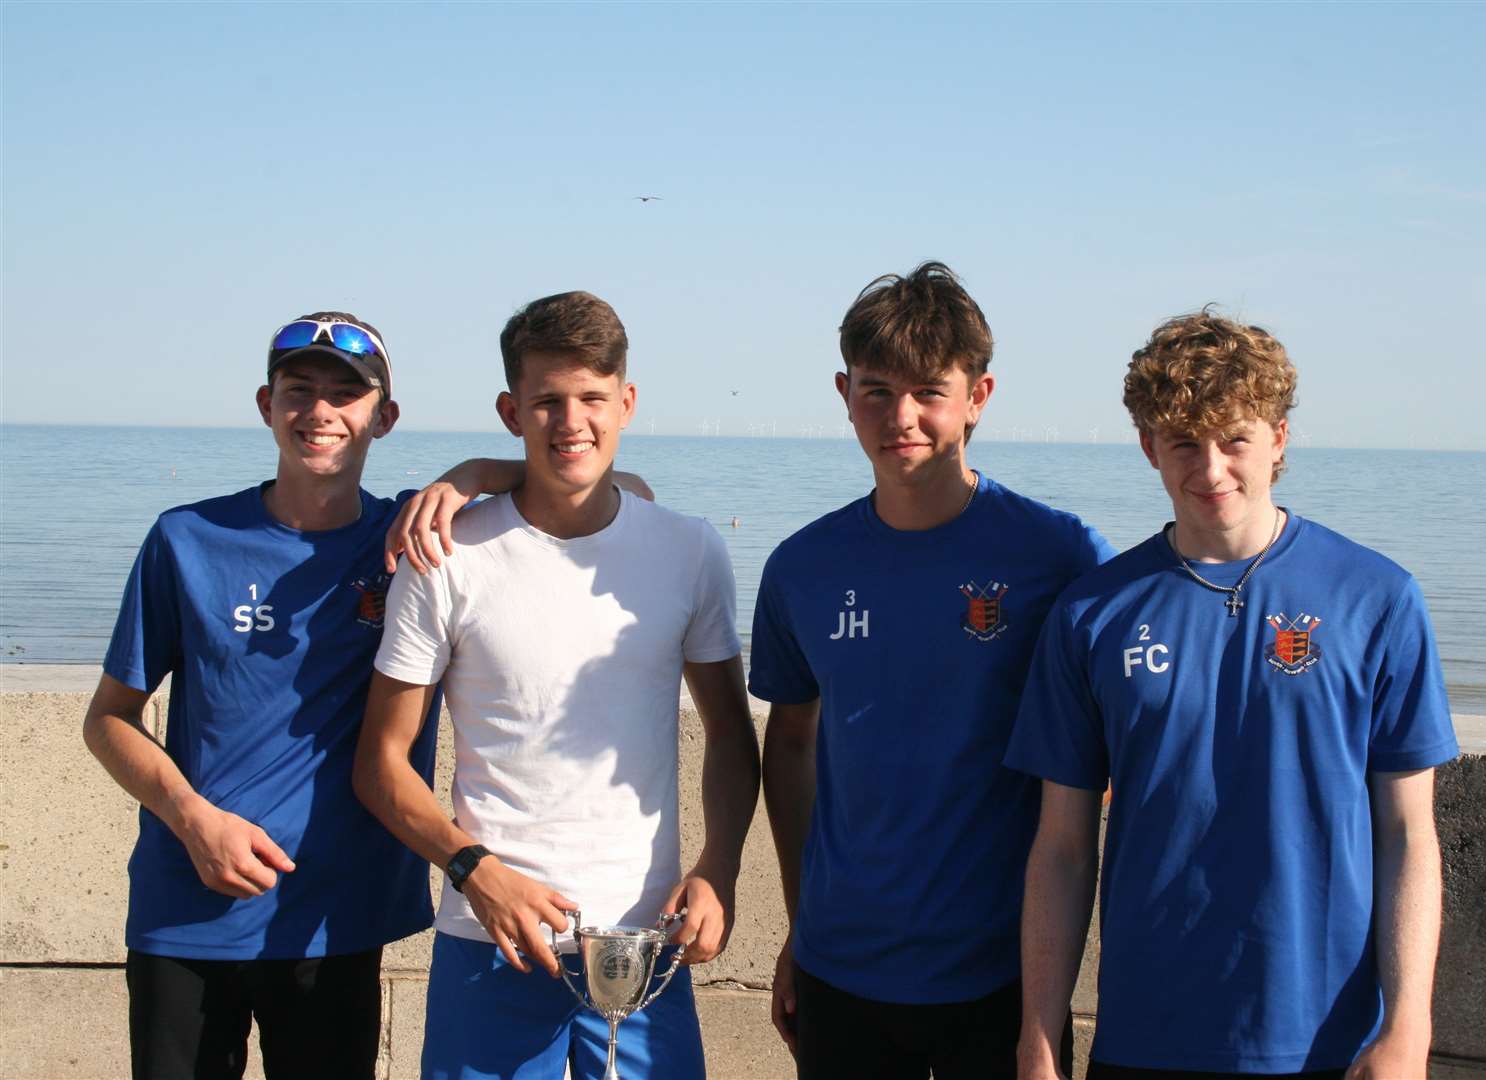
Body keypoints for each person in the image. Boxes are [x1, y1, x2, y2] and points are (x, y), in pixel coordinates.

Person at [1008, 310, 1458, 1080]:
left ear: (1279, 439)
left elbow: (1408, 834)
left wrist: (1409, 1026)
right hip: (1147, 1034)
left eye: (1235, 440)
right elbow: (1061, 848)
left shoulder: (1376, 599)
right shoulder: (1092, 615)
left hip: (1328, 1038)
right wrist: (1040, 1037)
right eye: (1184, 442)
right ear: (1150, 446)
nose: (1211, 469)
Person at [82, 312, 525, 1078]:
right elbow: (109, 721)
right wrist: (192, 819)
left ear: (382, 418)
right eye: (299, 391)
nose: (320, 411)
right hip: (187, 908)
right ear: (266, 405)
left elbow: (609, 487)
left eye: (346, 395)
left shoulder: (413, 539)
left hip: (334, 914)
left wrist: (474, 475)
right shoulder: (186, 538)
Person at [354, 290, 759, 1080]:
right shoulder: (449, 556)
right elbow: (380, 765)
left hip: (645, 946)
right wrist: (476, 871)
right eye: (546, 401)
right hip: (490, 943)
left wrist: (719, 869)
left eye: (591, 399)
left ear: (627, 402)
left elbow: (731, 739)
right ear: (511, 410)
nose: (570, 421)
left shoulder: (689, 550)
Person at [751, 262, 1115, 1079]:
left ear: (978, 396)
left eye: (929, 392)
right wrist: (799, 928)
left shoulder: (1058, 553)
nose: (901, 417)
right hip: (841, 966)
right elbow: (793, 745)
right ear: (844, 392)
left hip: (1001, 974)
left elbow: (1117, 729)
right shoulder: (801, 567)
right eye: (876, 390)